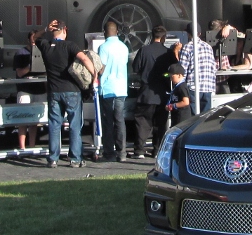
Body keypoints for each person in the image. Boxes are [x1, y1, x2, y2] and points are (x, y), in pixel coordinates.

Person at [33, 19, 97, 168]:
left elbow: (34, 38)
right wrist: (95, 76)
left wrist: (44, 29)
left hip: (54, 91)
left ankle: (53, 158)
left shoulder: (46, 46)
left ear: (52, 31)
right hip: (72, 91)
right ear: (65, 30)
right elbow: (84, 58)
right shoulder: (70, 46)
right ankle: (75, 158)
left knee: (54, 125)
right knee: (75, 125)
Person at [131, 25, 171, 158]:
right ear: (164, 37)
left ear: (152, 36)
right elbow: (172, 72)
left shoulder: (144, 50)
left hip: (146, 92)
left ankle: (139, 150)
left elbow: (136, 68)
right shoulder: (168, 53)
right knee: (160, 124)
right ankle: (157, 150)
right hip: (162, 94)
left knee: (142, 122)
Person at [96, 20, 130, 162]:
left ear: (104, 32)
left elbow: (101, 68)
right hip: (121, 88)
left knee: (108, 122)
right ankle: (122, 153)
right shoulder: (124, 47)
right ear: (117, 31)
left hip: (108, 88)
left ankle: (109, 153)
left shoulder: (103, 47)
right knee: (120, 120)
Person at [179, 23, 217, 115]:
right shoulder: (208, 47)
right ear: (199, 34)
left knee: (193, 119)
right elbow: (213, 68)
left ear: (188, 33)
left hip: (193, 87)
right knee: (205, 118)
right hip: (208, 87)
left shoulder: (187, 47)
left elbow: (182, 70)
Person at [11, 45, 40, 150]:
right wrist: (31, 66)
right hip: (24, 89)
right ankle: (22, 147)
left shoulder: (42, 51)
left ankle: (32, 145)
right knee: (23, 118)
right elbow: (19, 73)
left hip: (39, 89)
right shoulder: (20, 53)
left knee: (34, 121)